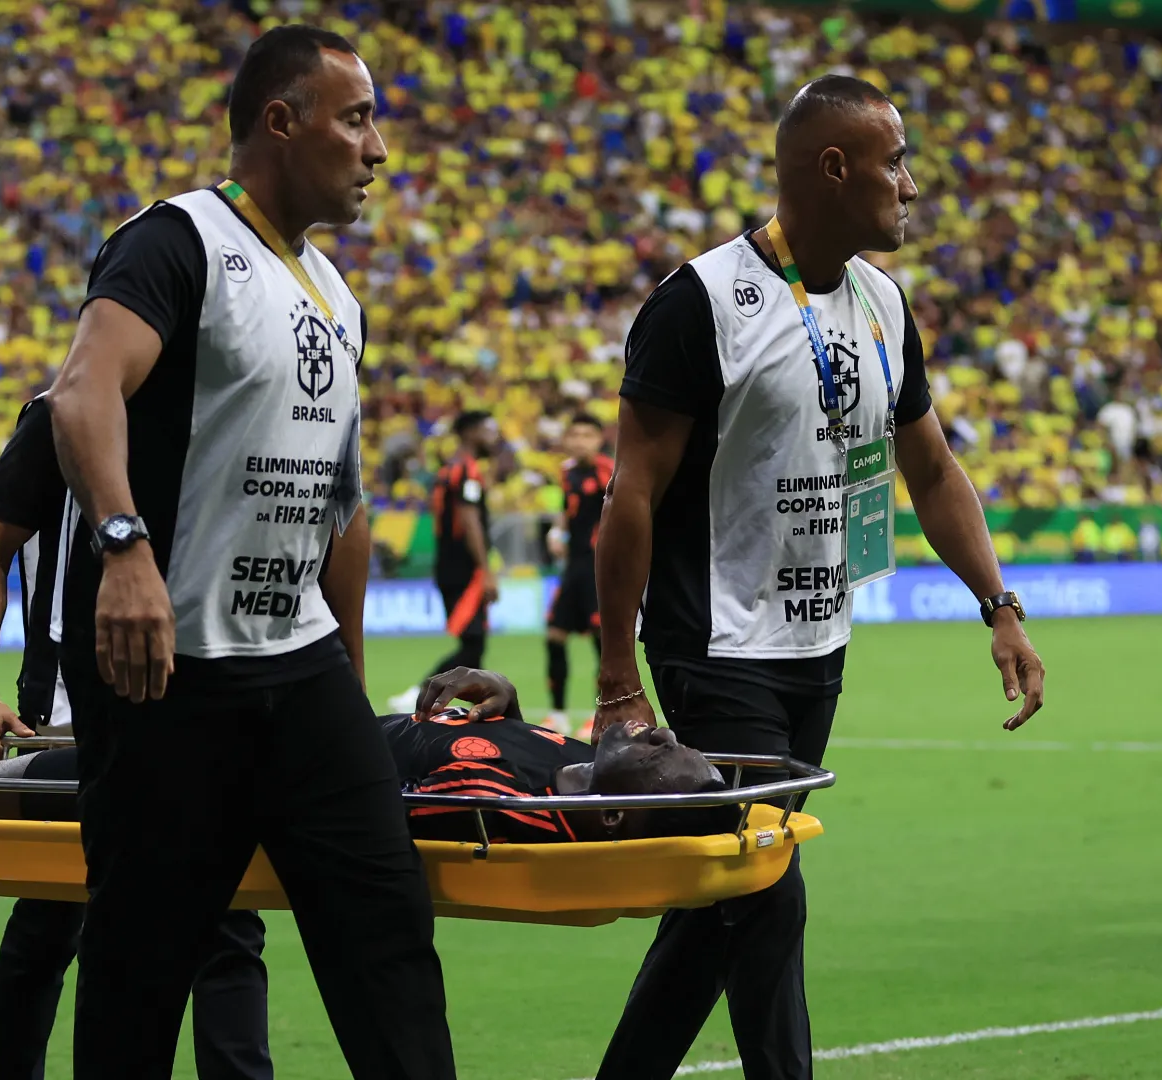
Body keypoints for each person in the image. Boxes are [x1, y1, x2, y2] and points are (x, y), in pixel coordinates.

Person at [589, 77, 1046, 1080]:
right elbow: (629, 496)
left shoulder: (883, 303)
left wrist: (999, 606)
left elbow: (929, 468)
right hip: (715, 648)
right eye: (894, 161)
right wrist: (619, 679)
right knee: (768, 884)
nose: (911, 185)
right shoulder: (702, 302)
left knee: (719, 904)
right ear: (833, 169)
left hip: (816, 651)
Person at [46, 24, 456, 1079]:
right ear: (282, 120)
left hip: (300, 668)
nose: (377, 150)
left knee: (388, 936)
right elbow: (84, 390)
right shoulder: (177, 242)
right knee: (140, 970)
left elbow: (341, 510)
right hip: (171, 678)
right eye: (357, 118)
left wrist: (353, 688)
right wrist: (124, 546)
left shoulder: (337, 294)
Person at [0, 398, 272, 1080]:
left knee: (229, 928)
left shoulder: (225, 400)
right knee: (48, 925)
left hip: (200, 712)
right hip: (66, 719)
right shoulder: (58, 413)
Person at [0, 664, 738, 848]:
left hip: (286, 763)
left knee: (90, 774)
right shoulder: (550, 752)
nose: (651, 729)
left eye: (654, 746)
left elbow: (431, 802)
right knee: (103, 750)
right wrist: (482, 702)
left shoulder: (533, 781)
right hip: (324, 729)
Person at [387, 411, 502, 716]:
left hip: (453, 566)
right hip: (462, 569)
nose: (494, 436)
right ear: (470, 433)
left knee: (475, 644)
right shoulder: (466, 471)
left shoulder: (452, 469)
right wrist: (485, 569)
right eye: (488, 429)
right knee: (473, 642)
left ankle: (471, 710)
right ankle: (420, 694)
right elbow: (469, 520)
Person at [544, 414, 612, 736]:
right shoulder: (567, 473)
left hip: (599, 569)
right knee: (554, 636)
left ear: (599, 439)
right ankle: (557, 714)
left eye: (587, 434)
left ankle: (603, 711)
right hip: (573, 568)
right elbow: (566, 510)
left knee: (602, 643)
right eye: (575, 434)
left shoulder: (608, 471)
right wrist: (556, 533)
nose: (580, 440)